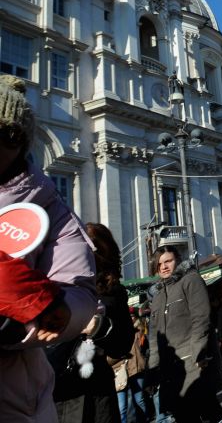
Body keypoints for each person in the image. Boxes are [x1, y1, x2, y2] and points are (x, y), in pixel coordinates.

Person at [0, 74, 97, 422]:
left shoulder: (50, 207)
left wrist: (18, 324)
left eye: (7, 135)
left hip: (14, 392)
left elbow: (80, 292)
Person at [48, 222, 135, 423]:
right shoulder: (59, 285)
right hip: (55, 389)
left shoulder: (112, 292)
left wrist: (97, 327)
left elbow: (122, 343)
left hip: (94, 394)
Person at [148, 246, 222, 423]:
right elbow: (154, 337)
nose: (164, 267)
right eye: (159, 264)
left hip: (194, 364)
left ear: (178, 260)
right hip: (170, 370)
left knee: (210, 413)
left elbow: (201, 318)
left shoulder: (191, 280)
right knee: (183, 416)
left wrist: (198, 353)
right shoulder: (158, 295)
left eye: (168, 261)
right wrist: (152, 371)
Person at [117, 309, 148, 423]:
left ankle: (143, 420)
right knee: (122, 406)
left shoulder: (138, 329)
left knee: (139, 399)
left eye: (132, 316)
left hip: (137, 368)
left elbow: (143, 327)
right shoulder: (119, 331)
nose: (131, 318)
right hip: (121, 371)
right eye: (128, 315)